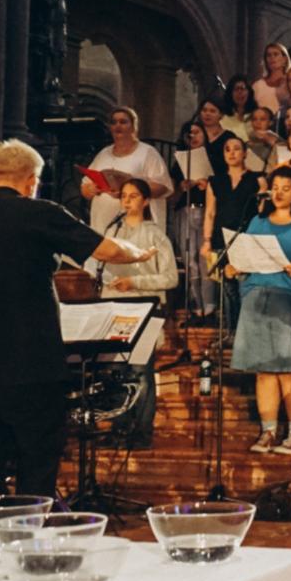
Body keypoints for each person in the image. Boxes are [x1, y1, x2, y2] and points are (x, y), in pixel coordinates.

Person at [0, 138, 149, 497]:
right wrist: (139, 253)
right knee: (36, 468)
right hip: (33, 366)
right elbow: (107, 250)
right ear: (31, 181)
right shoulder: (41, 213)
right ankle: (26, 540)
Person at [232, 166, 291, 456]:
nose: (278, 192)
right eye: (275, 186)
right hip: (257, 297)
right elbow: (245, 256)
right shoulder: (258, 222)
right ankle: (268, 431)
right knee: (264, 370)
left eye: (286, 187)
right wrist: (235, 265)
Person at [89, 178, 177, 446]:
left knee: (140, 369)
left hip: (143, 308)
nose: (127, 201)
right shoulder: (112, 233)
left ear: (146, 201)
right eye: (124, 196)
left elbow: (170, 278)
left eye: (134, 196)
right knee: (117, 368)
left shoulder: (155, 235)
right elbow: (98, 268)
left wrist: (135, 282)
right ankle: (119, 427)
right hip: (114, 306)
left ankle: (140, 432)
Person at [80, 106, 171, 233]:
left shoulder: (147, 152)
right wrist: (91, 189)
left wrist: (130, 189)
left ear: (134, 126)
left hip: (135, 225)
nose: (118, 125)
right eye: (114, 122)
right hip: (103, 222)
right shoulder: (103, 154)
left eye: (123, 122)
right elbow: (85, 187)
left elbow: (162, 186)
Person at [203, 133, 263, 323]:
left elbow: (262, 211)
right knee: (227, 290)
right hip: (221, 238)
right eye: (227, 149)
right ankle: (231, 331)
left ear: (245, 153)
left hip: (247, 237)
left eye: (237, 149)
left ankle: (246, 330)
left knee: (245, 286)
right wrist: (206, 241)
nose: (232, 153)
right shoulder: (215, 181)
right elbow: (210, 213)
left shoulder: (258, 179)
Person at [172, 120, 215, 318]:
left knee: (205, 259)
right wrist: (182, 186)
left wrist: (209, 185)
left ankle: (210, 305)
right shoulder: (180, 161)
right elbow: (170, 192)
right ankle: (196, 304)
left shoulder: (213, 157)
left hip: (206, 209)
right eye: (188, 134)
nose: (193, 137)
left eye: (197, 132)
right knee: (190, 260)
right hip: (185, 209)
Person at [244, 106, 291, 173]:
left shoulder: (279, 142)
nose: (258, 123)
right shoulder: (246, 144)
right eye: (254, 119)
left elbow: (285, 158)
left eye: (262, 119)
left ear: (270, 122)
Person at [253, 41, 291, 115]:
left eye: (276, 54)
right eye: (269, 55)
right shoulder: (258, 85)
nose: (272, 58)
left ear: (284, 59)